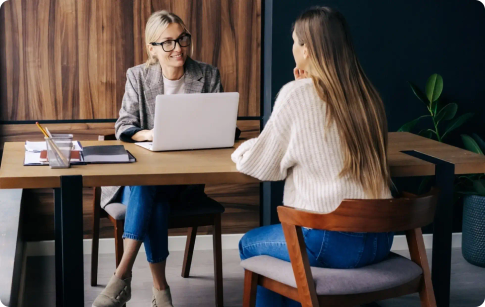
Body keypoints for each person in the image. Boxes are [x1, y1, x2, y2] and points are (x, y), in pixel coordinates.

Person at [232, 6, 393, 306]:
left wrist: (239, 148)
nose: (292, 48)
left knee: (250, 244)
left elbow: (261, 165)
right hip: (381, 240)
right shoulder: (368, 96)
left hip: (331, 242)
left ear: (308, 49)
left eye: (295, 41)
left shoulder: (298, 95)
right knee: (296, 253)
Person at [93, 10, 223, 307]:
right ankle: (160, 290)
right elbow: (123, 126)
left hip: (184, 181)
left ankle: (121, 278)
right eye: (167, 42)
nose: (177, 48)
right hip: (138, 181)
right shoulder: (138, 75)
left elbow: (220, 126)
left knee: (151, 192)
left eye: (182, 39)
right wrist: (149, 134)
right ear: (151, 47)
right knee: (149, 188)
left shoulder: (207, 74)